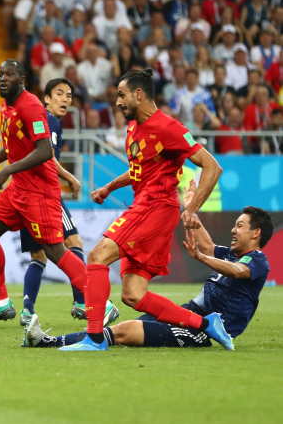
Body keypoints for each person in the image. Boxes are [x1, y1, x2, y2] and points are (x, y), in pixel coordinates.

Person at [62, 68, 230, 351]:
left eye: (121, 95)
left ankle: (94, 339)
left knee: (97, 255)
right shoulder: (134, 129)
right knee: (134, 295)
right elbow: (138, 170)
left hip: (155, 208)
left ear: (139, 94)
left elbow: (212, 166)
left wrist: (192, 209)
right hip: (145, 206)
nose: (117, 102)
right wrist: (109, 187)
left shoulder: (168, 128)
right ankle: (206, 324)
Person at [25, 197, 272, 351]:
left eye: (240, 226)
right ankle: (52, 341)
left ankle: (50, 342)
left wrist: (202, 258)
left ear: (255, 233)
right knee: (127, 326)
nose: (233, 229)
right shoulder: (228, 252)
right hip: (191, 313)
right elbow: (206, 246)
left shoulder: (257, 261)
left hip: (204, 332)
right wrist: (188, 209)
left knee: (127, 330)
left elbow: (239, 271)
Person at [0, 60, 97, 326]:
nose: (2, 78)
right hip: (19, 189)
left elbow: (43, 152)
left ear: (22, 78)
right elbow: (15, 145)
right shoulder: (8, 107)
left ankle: (98, 302)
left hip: (39, 192)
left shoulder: (31, 107)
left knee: (56, 250)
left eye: (9, 74)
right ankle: (2, 303)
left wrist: (6, 171)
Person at [17, 79, 118, 326]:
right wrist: (70, 176)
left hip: (23, 194)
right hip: (45, 194)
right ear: (47, 98)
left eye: (69, 96)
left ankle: (27, 310)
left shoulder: (39, 120)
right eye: (59, 94)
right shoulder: (49, 121)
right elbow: (47, 157)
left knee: (38, 256)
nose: (65, 99)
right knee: (74, 242)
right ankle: (82, 302)